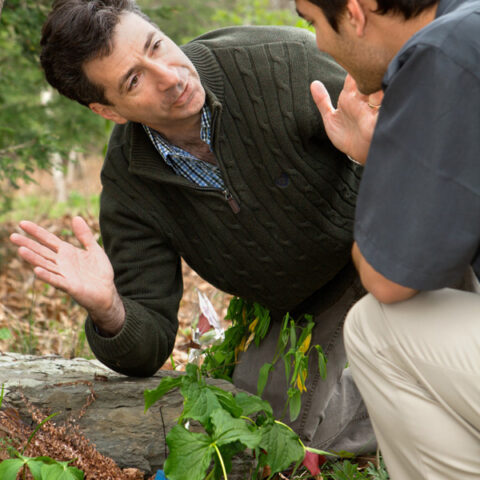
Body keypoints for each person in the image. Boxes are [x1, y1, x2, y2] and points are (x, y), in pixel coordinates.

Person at [10, 0, 376, 454]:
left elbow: (413, 132)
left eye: (156, 46)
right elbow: (151, 341)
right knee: (266, 432)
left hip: (382, 245)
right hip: (299, 308)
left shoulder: (281, 60)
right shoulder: (130, 186)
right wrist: (108, 308)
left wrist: (371, 150)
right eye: (134, 79)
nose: (170, 76)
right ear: (109, 111)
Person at [294, 0, 480, 477]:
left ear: (355, 13)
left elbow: (388, 274)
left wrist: (383, 158)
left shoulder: (441, 52)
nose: (317, 42)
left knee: (376, 329)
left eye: (313, 21)